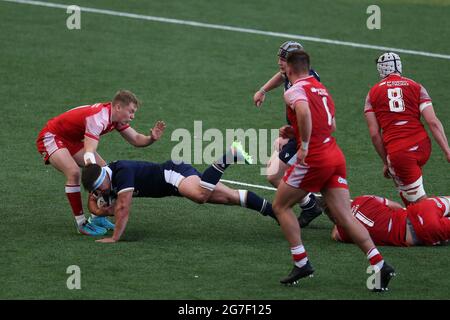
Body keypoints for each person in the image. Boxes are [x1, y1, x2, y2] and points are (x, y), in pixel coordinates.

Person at [271, 50, 395, 291]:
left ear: (290, 68)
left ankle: (301, 262)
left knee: (280, 205)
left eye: (284, 66)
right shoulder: (322, 89)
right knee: (344, 217)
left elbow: (305, 112)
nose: (282, 69)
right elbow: (331, 124)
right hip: (335, 155)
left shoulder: (293, 90)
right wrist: (294, 131)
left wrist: (304, 144)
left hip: (315, 158)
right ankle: (379, 264)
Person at [81, 142, 278, 243]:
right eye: (96, 190)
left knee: (201, 196)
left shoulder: (121, 172)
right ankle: (275, 212)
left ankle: (230, 154)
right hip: (171, 184)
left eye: (100, 187)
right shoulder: (102, 180)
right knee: (230, 197)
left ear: (103, 177)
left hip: (172, 175)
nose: (100, 192)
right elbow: (95, 202)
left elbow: (122, 208)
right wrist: (99, 210)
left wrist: (114, 238)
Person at [36, 90, 166, 236]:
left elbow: (135, 139)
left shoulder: (114, 117)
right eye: (130, 111)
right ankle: (81, 224)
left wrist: (151, 138)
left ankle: (97, 218)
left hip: (71, 140)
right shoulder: (98, 118)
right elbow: (89, 150)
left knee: (106, 172)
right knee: (74, 173)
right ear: (118, 107)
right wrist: (92, 171)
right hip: (52, 136)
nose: (132, 116)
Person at [364, 52, 450, 206]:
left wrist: (387, 162)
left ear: (381, 69)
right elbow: (433, 122)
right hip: (423, 146)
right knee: (412, 202)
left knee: (419, 209)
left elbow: (375, 135)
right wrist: (447, 151)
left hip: (400, 153)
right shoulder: (417, 86)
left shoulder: (372, 94)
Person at [253, 40, 322, 228]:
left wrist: (292, 136)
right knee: (272, 165)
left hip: (306, 136)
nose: (279, 62)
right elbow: (281, 76)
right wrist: (263, 90)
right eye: (279, 58)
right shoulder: (294, 73)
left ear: (293, 62)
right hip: (298, 133)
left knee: (273, 175)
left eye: (283, 59)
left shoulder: (302, 84)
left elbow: (307, 115)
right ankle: (312, 198)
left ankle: (310, 204)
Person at [331, 195, 450, 247]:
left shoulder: (344, 231)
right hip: (421, 211)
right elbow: (397, 206)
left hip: (422, 233)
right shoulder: (363, 199)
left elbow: (335, 235)